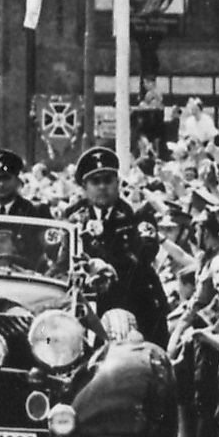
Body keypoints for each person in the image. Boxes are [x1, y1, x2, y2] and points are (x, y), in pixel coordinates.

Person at [66, 148, 169, 345]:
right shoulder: (73, 219)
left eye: (108, 180)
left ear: (118, 183)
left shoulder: (138, 216)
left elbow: (144, 255)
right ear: (84, 187)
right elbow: (60, 262)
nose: (102, 187)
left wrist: (107, 266)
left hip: (135, 304)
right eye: (95, 182)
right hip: (88, 307)